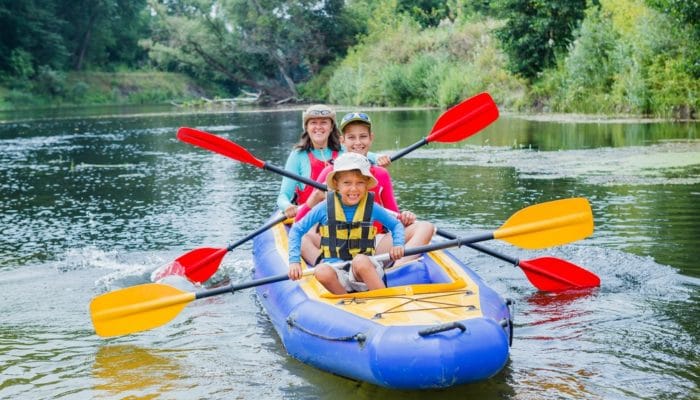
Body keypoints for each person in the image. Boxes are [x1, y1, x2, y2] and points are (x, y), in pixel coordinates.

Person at [297, 111, 434, 266]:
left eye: (363, 136)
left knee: (426, 227)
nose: (358, 142)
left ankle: (397, 270)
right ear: (342, 141)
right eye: (351, 137)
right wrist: (312, 200)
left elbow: (394, 216)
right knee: (301, 237)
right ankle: (327, 266)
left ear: (371, 138)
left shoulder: (381, 174)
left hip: (371, 243)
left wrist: (405, 217)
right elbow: (298, 223)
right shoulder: (330, 173)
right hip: (334, 243)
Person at [287, 153, 405, 294]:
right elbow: (296, 230)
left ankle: (385, 299)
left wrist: (398, 244)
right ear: (337, 184)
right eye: (347, 183)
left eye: (360, 183)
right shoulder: (324, 207)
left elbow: (396, 225)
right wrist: (294, 262)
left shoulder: (372, 207)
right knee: (321, 270)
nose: (354, 189)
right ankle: (347, 303)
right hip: (336, 270)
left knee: (360, 260)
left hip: (364, 269)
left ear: (367, 184)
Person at [277, 105, 388, 219]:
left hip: (340, 217)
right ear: (306, 127)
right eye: (313, 123)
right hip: (309, 216)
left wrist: (379, 158)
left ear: (331, 127)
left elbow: (366, 154)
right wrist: (287, 206)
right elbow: (283, 196)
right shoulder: (298, 155)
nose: (318, 127)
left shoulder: (344, 149)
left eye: (324, 122)